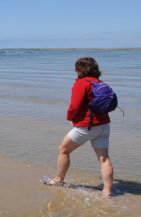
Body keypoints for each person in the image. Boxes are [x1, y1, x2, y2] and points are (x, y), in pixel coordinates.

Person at [43, 57, 116, 196]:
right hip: (104, 125)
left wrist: (70, 118)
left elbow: (74, 106)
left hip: (87, 126)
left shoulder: (81, 83)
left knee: (63, 150)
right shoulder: (100, 83)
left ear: (79, 70)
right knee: (104, 158)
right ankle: (107, 191)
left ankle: (58, 180)